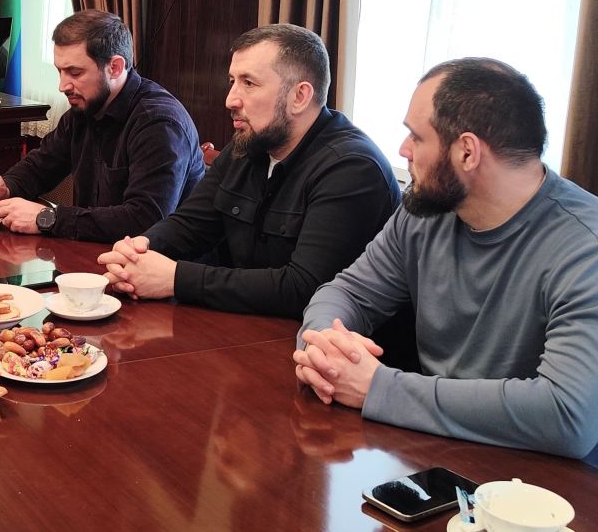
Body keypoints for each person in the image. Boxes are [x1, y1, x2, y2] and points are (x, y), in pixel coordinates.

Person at [293, 58, 598, 481]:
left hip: (564, 496)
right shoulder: (426, 212)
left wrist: (378, 388)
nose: (403, 150)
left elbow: (567, 417)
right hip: (447, 457)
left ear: (467, 152)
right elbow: (348, 292)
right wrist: (323, 347)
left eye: (416, 137)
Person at [98, 24, 399, 315]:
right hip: (244, 325)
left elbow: (305, 288)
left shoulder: (353, 168)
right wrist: (141, 248)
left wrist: (175, 278)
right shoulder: (249, 144)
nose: (230, 99)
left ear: (299, 96)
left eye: (249, 83)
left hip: (317, 342)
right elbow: (191, 225)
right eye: (232, 81)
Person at [0, 10, 203, 242]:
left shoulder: (159, 123)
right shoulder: (84, 108)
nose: (62, 86)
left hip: (158, 262)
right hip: (97, 252)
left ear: (115, 68)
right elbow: (41, 166)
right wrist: (5, 187)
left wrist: (48, 218)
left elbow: (145, 220)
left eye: (75, 73)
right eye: (60, 71)